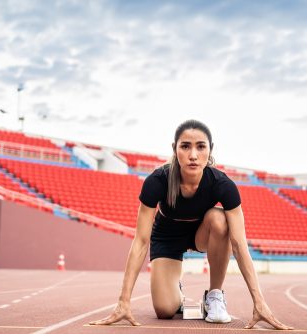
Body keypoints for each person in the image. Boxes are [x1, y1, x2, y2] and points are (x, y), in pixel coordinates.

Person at [89, 120, 293, 330]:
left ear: (210, 150)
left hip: (201, 233)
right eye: (185, 146)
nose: (193, 155)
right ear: (175, 149)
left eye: (200, 147)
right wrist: (124, 301)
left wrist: (259, 302)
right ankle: (174, 288)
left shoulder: (223, 185)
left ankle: (214, 297)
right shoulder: (157, 181)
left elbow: (240, 245)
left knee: (219, 218)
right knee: (165, 311)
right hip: (167, 236)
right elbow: (141, 241)